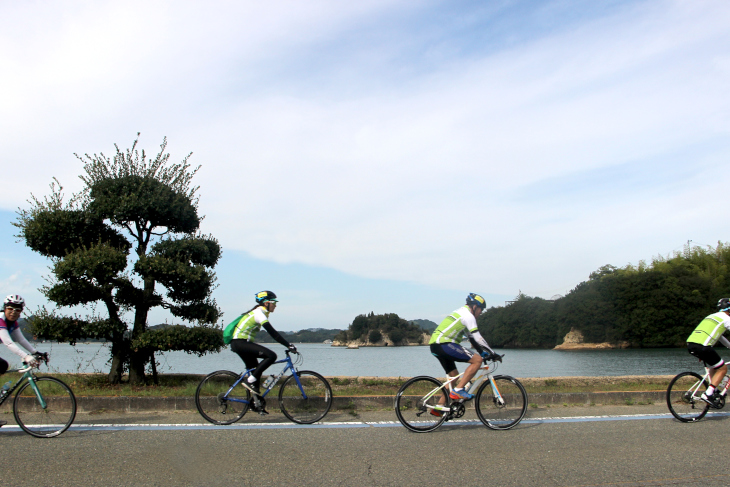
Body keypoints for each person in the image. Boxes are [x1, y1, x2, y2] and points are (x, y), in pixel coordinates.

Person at [429, 293, 498, 415]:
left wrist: (482, 352)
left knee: (454, 376)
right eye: (481, 309)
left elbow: (471, 338)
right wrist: (492, 353)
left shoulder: (461, 313)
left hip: (436, 345)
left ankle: (439, 407)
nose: (481, 313)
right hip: (444, 343)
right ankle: (459, 390)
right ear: (475, 307)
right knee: (477, 361)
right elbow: (478, 337)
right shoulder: (468, 316)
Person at [229, 290, 296, 415]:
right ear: (266, 303)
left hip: (240, 343)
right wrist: (288, 345)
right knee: (271, 356)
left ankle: (255, 404)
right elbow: (273, 333)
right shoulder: (259, 313)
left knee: (255, 370)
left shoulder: (261, 312)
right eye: (273, 302)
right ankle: (250, 381)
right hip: (240, 343)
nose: (275, 305)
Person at [0, 294, 47, 428]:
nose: (14, 312)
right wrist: (26, 357)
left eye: (17, 310)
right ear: (5, 308)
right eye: (10, 309)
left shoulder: (13, 323)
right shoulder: (0, 320)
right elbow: (8, 343)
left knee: (2, 365)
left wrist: (35, 353)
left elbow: (20, 340)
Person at [686, 297, 730, 408]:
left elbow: (720, 337)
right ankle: (708, 393)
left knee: (715, 366)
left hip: (691, 344)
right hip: (703, 346)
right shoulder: (726, 319)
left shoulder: (711, 316)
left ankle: (712, 389)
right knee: (723, 368)